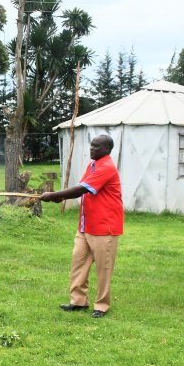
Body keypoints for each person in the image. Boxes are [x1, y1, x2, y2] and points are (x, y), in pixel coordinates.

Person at [41, 134, 123, 318]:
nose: (92, 149)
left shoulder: (107, 167)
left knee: (104, 267)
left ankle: (101, 305)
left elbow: (82, 189)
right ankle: (78, 301)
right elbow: (81, 188)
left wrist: (53, 195)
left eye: (97, 147)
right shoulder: (93, 166)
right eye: (91, 146)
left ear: (107, 150)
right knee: (78, 262)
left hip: (105, 226)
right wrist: (60, 197)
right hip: (86, 225)